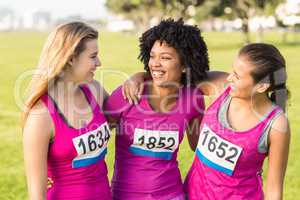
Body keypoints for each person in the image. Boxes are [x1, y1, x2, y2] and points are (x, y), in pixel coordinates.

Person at [104, 18, 209, 200]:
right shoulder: (127, 94)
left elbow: (199, 147)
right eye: (152, 56)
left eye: (165, 58)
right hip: (125, 196)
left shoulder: (193, 99)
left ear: (185, 65)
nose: (155, 64)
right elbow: (94, 141)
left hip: (172, 195)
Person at [184, 43, 290, 200]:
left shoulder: (276, 125)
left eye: (237, 76)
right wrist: (138, 78)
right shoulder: (220, 87)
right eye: (232, 71)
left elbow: (274, 189)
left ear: (261, 86)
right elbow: (173, 77)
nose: (229, 78)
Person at [22, 22, 111, 200]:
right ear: (70, 59)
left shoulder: (95, 91)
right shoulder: (40, 116)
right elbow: (36, 193)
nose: (98, 63)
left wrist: (140, 78)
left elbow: (130, 117)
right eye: (93, 56)